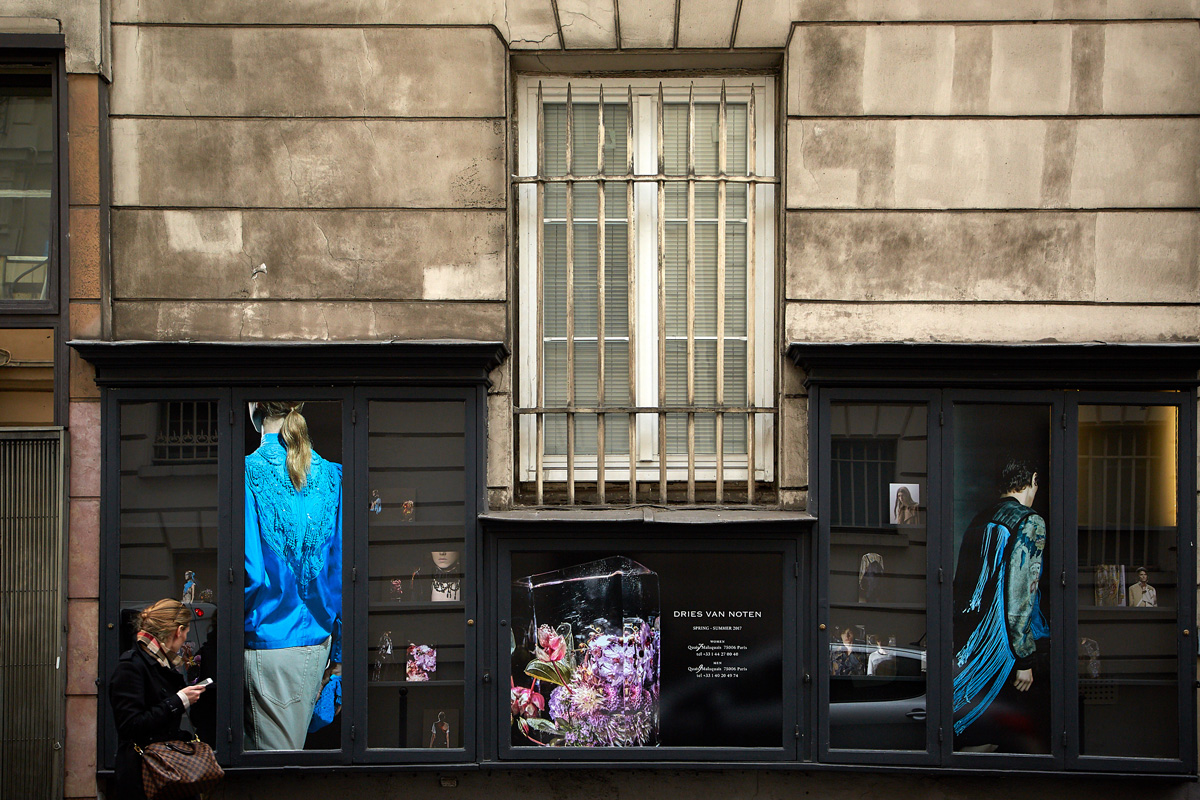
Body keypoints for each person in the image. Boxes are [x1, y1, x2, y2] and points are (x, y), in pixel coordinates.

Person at [244, 401, 342, 750]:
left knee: (274, 769)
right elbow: (339, 572)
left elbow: (252, 574)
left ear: (255, 406)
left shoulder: (248, 472)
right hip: (318, 644)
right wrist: (340, 652)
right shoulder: (332, 475)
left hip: (268, 639)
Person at [952, 459, 1049, 752]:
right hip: (1006, 650)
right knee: (1012, 736)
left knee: (977, 732)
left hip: (972, 646)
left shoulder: (980, 518)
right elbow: (1021, 593)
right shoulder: (1030, 521)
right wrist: (1025, 659)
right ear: (1033, 479)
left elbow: (962, 585)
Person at [109, 599, 208, 800]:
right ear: (178, 631)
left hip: (165, 772)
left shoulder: (160, 663)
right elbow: (129, 725)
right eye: (186, 635)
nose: (183, 644)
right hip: (144, 777)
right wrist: (179, 701)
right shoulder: (131, 666)